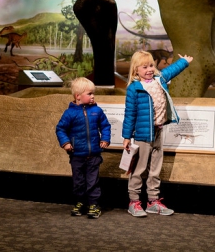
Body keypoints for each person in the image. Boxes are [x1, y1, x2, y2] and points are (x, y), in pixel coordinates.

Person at [122, 50, 193, 217]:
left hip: (158, 132)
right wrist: (126, 137)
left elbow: (170, 71)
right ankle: (134, 202)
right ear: (135, 70)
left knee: (155, 169)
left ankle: (153, 201)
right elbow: (129, 114)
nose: (149, 69)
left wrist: (184, 62)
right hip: (142, 136)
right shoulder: (135, 89)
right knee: (138, 170)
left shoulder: (159, 80)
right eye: (145, 66)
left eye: (152, 65)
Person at [55, 77, 111, 219]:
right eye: (89, 94)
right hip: (77, 155)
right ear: (78, 96)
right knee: (78, 181)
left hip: (94, 155)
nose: (92, 96)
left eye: (93, 93)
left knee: (93, 181)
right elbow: (60, 129)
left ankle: (93, 204)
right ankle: (80, 202)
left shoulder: (97, 111)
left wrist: (105, 138)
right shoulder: (70, 113)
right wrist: (66, 143)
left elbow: (105, 126)